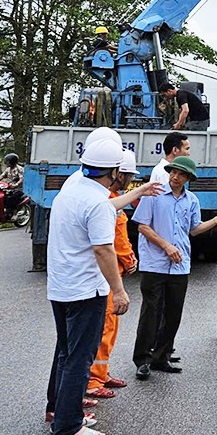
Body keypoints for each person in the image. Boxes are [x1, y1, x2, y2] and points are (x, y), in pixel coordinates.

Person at [45, 128, 130, 435]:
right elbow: (104, 250)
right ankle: (69, 427)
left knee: (65, 353)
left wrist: (139, 193)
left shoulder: (73, 185)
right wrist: (119, 290)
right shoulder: (97, 203)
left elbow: (106, 206)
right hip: (86, 290)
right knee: (80, 358)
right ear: (115, 171)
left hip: (61, 287)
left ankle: (57, 410)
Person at [130, 155, 217, 380]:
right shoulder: (154, 194)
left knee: (173, 312)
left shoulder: (191, 201)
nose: (175, 177)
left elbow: (195, 229)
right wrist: (166, 246)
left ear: (188, 178)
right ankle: (143, 359)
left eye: (180, 174)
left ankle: (162, 355)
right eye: (173, 172)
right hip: (155, 263)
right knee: (151, 312)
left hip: (179, 266)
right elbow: (143, 227)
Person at [87, 148, 140, 400]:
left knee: (109, 327)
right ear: (120, 174)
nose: (131, 180)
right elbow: (117, 240)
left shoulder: (109, 198)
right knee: (105, 327)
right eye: (129, 175)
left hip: (108, 274)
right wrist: (129, 260)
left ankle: (101, 372)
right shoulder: (110, 203)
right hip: (108, 276)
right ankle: (94, 379)